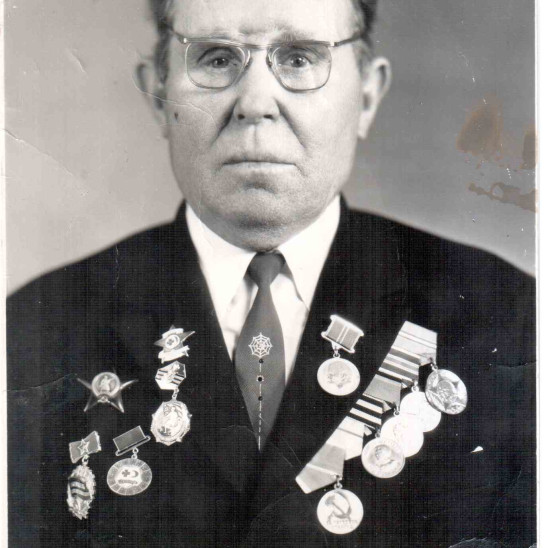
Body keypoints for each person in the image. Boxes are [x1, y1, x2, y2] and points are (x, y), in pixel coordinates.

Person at [7, 0, 536, 546]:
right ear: (158, 93)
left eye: (300, 58)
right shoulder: (34, 329)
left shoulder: (508, 317)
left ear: (367, 95)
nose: (256, 103)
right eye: (216, 59)